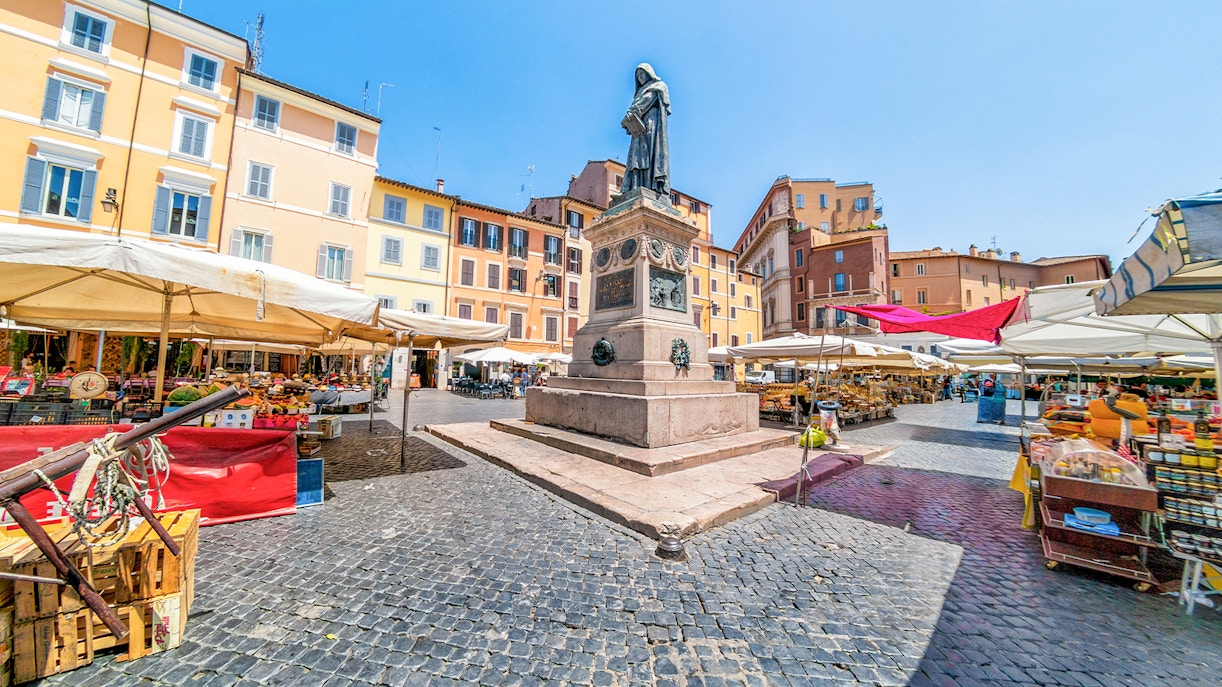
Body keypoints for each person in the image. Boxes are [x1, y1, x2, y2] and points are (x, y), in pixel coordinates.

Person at [621, 63, 671, 196]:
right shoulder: (639, 92)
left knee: (648, 154)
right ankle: (633, 187)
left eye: (642, 74)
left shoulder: (658, 86)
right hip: (639, 127)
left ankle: (648, 186)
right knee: (635, 156)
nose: (640, 77)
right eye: (638, 76)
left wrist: (630, 114)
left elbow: (644, 102)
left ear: (649, 73)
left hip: (651, 125)